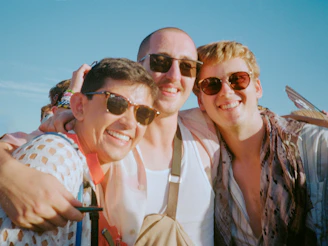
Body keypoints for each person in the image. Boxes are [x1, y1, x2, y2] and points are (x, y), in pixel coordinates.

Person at [0, 27, 217, 245]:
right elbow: (25, 147)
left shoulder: (207, 134)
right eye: (161, 62)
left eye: (188, 66)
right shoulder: (87, 137)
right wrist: (7, 173)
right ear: (139, 66)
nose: (174, 75)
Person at [0, 57, 159, 245]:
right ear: (79, 107)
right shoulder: (55, 158)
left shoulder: (113, 168)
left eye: (143, 113)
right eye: (116, 104)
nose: (130, 123)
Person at [190, 40, 327, 245]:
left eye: (238, 79)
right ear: (201, 101)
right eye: (211, 85)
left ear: (257, 87)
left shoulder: (317, 146)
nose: (226, 91)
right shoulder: (205, 167)